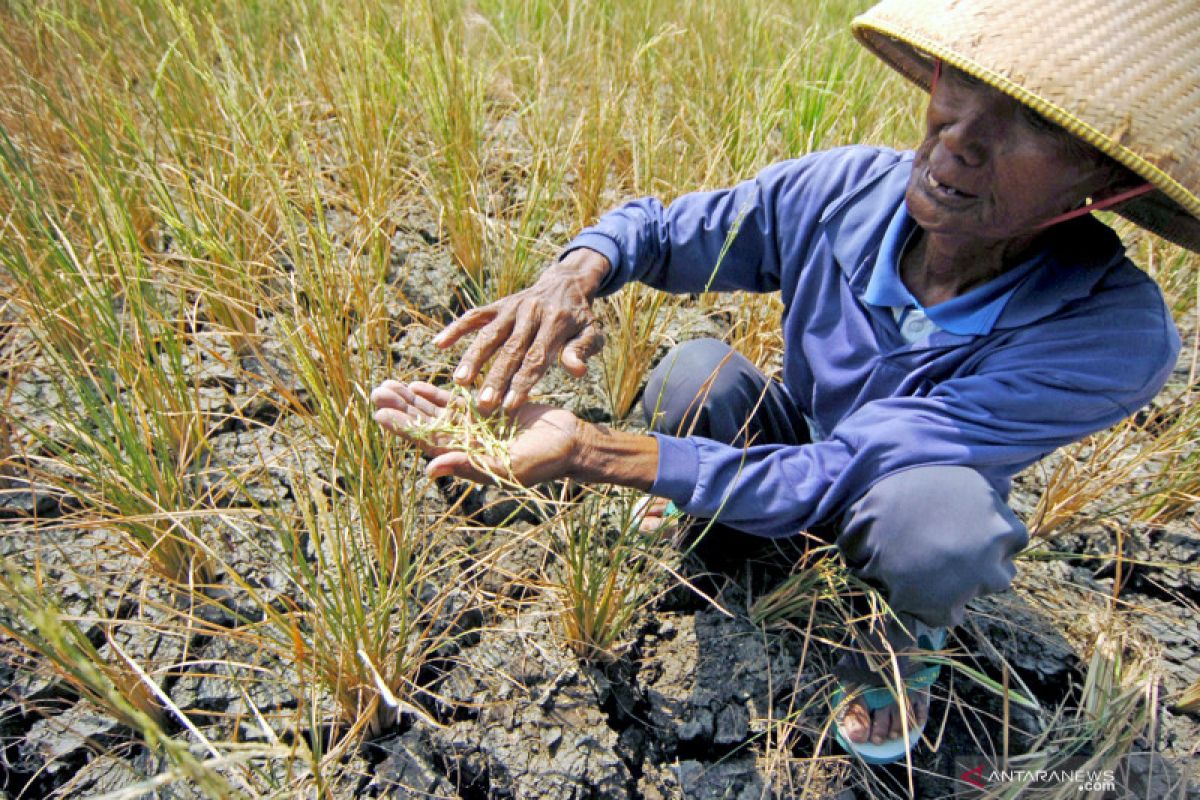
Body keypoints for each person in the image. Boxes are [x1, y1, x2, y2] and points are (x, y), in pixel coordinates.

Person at [372, 0, 1199, 764]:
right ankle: (724, 531)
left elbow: (854, 468)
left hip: (898, 489)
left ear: (1106, 181)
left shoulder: (1109, 331)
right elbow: (664, 231)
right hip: (796, 437)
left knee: (938, 530)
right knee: (697, 375)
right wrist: (576, 274)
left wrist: (591, 449)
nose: (958, 138)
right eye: (965, 85)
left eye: (1031, 125)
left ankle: (902, 637)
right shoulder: (845, 189)